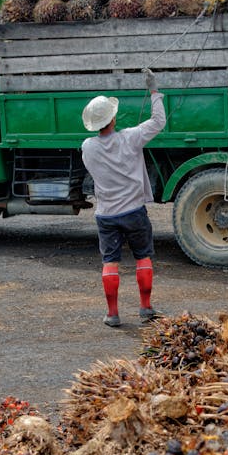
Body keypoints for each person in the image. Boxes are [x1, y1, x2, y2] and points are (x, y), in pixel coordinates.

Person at [81, 71, 166, 328]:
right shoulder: (131, 137)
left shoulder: (87, 147)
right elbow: (159, 121)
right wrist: (154, 92)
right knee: (143, 257)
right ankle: (145, 308)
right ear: (113, 118)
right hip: (134, 212)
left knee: (110, 262)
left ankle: (113, 314)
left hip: (106, 214)